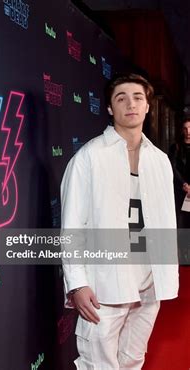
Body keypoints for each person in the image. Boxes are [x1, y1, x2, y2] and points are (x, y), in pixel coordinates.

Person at [60, 73, 179, 369]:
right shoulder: (89, 157)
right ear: (111, 109)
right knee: (97, 364)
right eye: (121, 98)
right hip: (105, 286)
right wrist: (77, 284)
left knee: (133, 359)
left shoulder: (160, 160)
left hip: (149, 284)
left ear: (148, 106)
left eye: (138, 97)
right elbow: (72, 226)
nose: (131, 104)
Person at [168, 117, 190, 228]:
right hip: (180, 189)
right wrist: (184, 184)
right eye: (185, 129)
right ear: (182, 130)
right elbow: (172, 167)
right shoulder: (175, 147)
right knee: (180, 221)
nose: (188, 132)